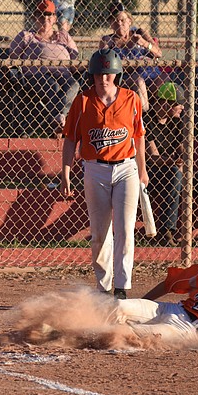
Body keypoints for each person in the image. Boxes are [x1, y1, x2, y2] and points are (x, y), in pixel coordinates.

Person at [60, 49, 148, 300]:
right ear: (93, 75)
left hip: (126, 168)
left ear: (117, 74)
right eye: (99, 74)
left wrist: (142, 170)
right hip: (95, 169)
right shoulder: (83, 101)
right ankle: (103, 287)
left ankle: (121, 288)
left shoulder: (131, 99)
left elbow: (139, 137)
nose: (104, 78)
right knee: (99, 233)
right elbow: (70, 139)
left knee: (125, 229)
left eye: (109, 73)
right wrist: (66, 171)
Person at [145, 82, 198, 246]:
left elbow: (183, 151)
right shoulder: (147, 120)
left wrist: (181, 159)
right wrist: (175, 162)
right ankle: (167, 231)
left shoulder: (176, 122)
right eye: (178, 105)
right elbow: (153, 157)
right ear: (166, 103)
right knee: (174, 174)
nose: (181, 109)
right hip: (152, 174)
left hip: (174, 170)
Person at [9, 0, 79, 137]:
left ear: (54, 18)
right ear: (35, 17)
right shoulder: (26, 36)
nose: (45, 18)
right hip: (36, 75)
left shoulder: (63, 36)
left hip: (64, 74)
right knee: (53, 87)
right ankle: (59, 122)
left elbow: (75, 58)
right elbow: (12, 58)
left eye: (49, 15)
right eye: (40, 15)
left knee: (74, 85)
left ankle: (59, 117)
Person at [99, 1, 163, 113]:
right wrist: (107, 47)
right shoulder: (108, 40)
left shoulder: (140, 33)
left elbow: (158, 53)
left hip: (150, 73)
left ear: (129, 21)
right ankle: (145, 119)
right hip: (127, 76)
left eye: (122, 20)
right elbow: (102, 61)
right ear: (111, 24)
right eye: (115, 20)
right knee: (139, 82)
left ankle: (161, 120)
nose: (119, 23)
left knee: (165, 81)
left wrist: (144, 43)